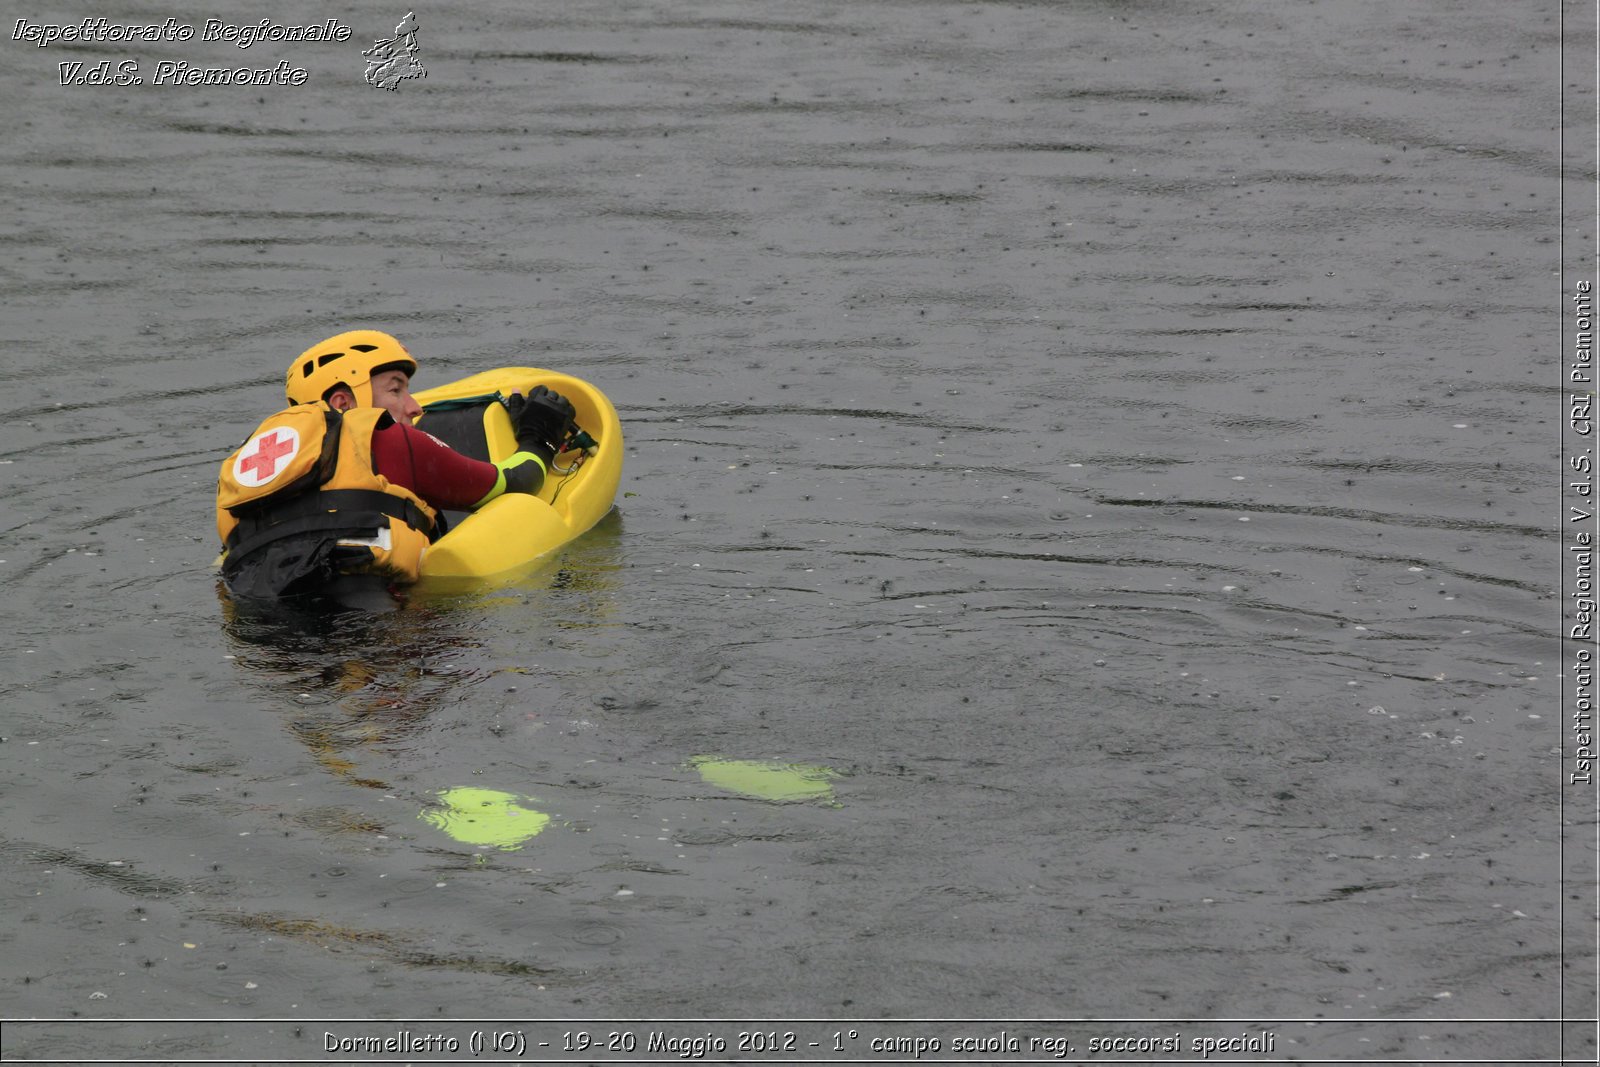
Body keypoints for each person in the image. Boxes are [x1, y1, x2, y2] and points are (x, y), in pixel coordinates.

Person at [216, 329, 575, 599]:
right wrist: (538, 437)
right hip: (370, 630)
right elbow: (512, 483)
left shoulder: (241, 472)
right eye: (396, 389)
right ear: (343, 403)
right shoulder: (386, 439)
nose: (415, 406)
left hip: (262, 645)